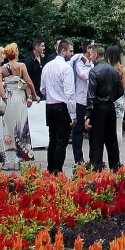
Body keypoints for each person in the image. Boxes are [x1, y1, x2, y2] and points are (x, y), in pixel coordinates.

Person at [85, 43, 124, 171]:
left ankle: (96, 168)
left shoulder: (94, 72)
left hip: (98, 108)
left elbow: (90, 95)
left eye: (91, 54)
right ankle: (115, 167)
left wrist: (88, 115)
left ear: (96, 55)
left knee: (96, 142)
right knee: (112, 140)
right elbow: (120, 91)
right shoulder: (113, 70)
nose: (90, 57)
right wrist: (111, 97)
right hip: (110, 108)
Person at [40, 39, 76, 173]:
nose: (72, 54)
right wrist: (73, 115)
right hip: (62, 106)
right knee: (62, 140)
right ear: (63, 51)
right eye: (70, 51)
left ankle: (50, 168)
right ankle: (57, 169)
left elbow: (42, 89)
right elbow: (70, 93)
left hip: (50, 106)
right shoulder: (66, 68)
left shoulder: (47, 66)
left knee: (52, 139)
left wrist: (51, 92)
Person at [1, 42, 39, 167]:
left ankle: (9, 157)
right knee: (22, 124)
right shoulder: (21, 66)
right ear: (15, 52)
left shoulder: (3, 68)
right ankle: (23, 153)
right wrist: (34, 95)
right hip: (19, 97)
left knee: (8, 126)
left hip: (8, 98)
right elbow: (28, 81)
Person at [69, 40, 93, 167]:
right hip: (79, 100)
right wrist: (89, 64)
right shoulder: (79, 61)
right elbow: (84, 75)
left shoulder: (92, 62)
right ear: (88, 49)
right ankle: (78, 158)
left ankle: (93, 157)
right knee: (78, 130)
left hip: (90, 100)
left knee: (91, 128)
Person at [105, 44, 125, 146]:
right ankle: (117, 152)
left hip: (107, 100)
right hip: (119, 100)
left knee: (108, 128)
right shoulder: (121, 68)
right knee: (118, 128)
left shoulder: (105, 68)